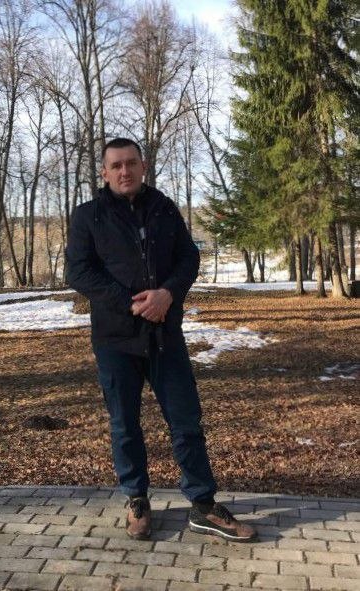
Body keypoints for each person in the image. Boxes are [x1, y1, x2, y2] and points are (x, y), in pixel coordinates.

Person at [66, 137, 256, 543]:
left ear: (143, 166)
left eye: (131, 163)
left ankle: (203, 505)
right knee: (125, 425)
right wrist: (131, 303)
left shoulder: (164, 208)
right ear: (104, 172)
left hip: (165, 336)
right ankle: (136, 498)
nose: (125, 171)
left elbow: (189, 257)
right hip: (115, 339)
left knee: (186, 422)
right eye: (116, 165)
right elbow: (78, 272)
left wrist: (168, 294)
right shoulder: (88, 215)